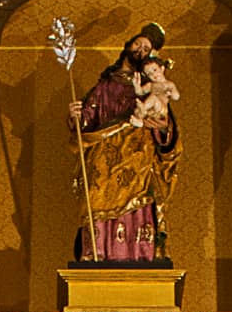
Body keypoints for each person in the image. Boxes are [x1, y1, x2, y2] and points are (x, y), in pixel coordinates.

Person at [72, 24, 180, 263]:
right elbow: (86, 126)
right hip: (105, 157)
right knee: (97, 196)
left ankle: (139, 256)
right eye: (138, 44)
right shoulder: (104, 87)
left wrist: (161, 127)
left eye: (147, 49)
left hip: (138, 156)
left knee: (141, 203)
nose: (141, 50)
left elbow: (166, 127)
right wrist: (77, 116)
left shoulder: (151, 86)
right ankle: (99, 254)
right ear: (127, 46)